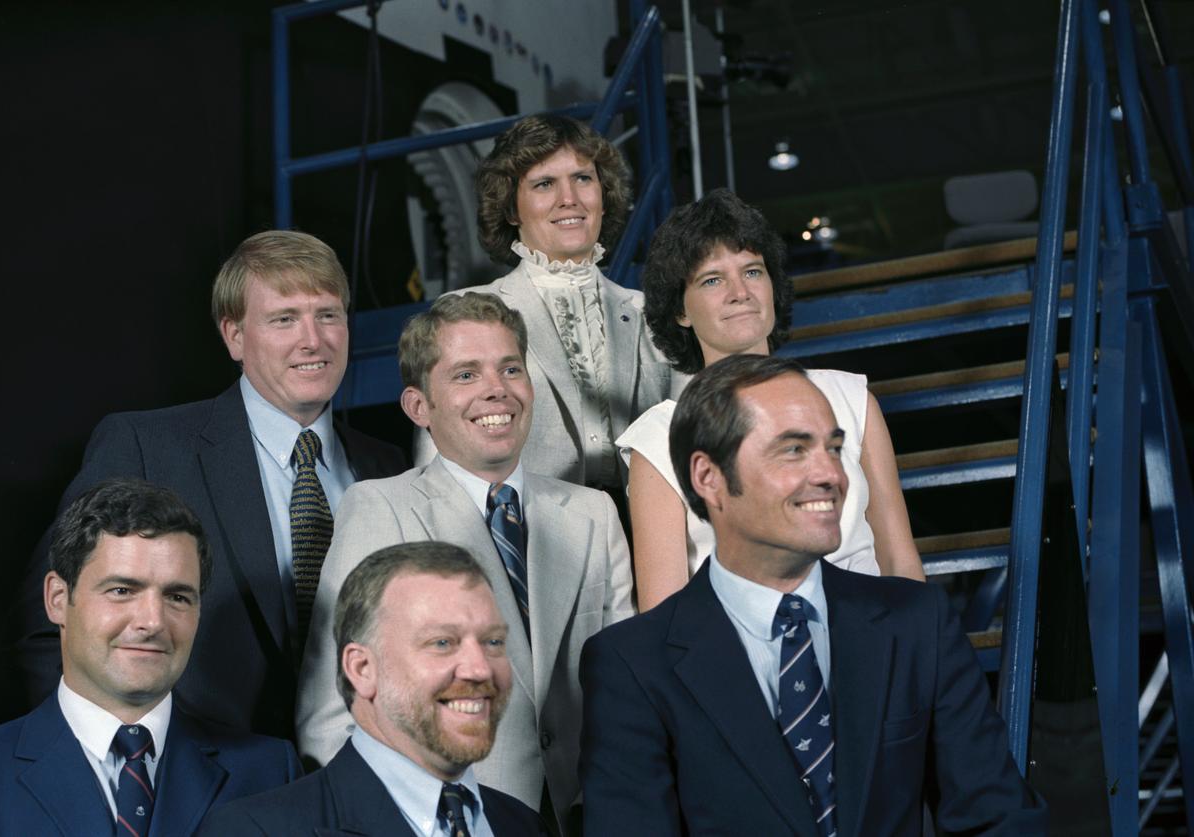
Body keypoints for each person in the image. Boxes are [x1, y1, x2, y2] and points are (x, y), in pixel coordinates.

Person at [580, 355, 1046, 835]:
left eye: (834, 448)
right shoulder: (631, 665)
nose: (831, 475)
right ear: (709, 478)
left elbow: (998, 818)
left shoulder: (918, 622)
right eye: (794, 450)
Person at [14, 230, 406, 740]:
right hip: (195, 773)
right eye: (284, 319)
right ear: (234, 336)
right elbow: (48, 629)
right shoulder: (146, 447)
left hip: (364, 772)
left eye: (328, 315)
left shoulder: (389, 465)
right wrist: (103, 765)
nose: (313, 339)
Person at [298, 292, 633, 833]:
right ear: (418, 407)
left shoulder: (594, 514)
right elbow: (332, 714)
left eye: (510, 369)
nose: (496, 389)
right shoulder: (380, 508)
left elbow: (625, 695)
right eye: (466, 374)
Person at [0, 479, 301, 836]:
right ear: (57, 599)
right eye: (121, 590)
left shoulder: (269, 774)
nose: (153, 621)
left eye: (177, 597)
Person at [617, 188, 923, 610]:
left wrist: (916, 644)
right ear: (680, 311)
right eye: (712, 280)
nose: (740, 292)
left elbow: (899, 560)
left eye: (752, 271)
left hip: (870, 628)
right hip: (734, 643)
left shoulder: (850, 398)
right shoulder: (657, 439)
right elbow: (663, 612)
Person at [201, 541, 547, 836]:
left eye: (493, 641)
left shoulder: (526, 826)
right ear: (362, 669)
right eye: (442, 642)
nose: (480, 668)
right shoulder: (255, 830)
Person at [417, 114, 672, 493]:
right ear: (511, 208)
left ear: (603, 196)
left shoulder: (650, 313)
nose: (569, 199)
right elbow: (436, 467)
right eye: (545, 184)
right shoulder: (464, 313)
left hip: (647, 519)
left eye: (583, 178)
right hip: (530, 522)